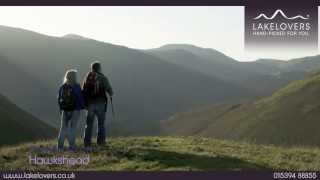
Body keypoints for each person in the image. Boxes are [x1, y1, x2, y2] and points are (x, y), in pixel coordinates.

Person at [82, 61, 113, 149]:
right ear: (99, 68)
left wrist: (85, 103)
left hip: (90, 104)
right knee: (101, 124)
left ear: (92, 68)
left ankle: (87, 143)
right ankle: (101, 142)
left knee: (89, 124)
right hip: (100, 103)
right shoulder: (102, 77)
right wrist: (110, 94)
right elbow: (110, 90)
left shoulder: (87, 77)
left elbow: (83, 90)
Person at [57, 69, 85, 151]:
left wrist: (61, 108)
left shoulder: (62, 87)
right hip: (75, 109)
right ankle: (72, 145)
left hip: (65, 110)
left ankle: (60, 146)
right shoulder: (76, 86)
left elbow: (59, 98)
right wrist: (83, 106)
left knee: (63, 128)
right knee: (73, 127)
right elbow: (80, 97)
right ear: (74, 77)